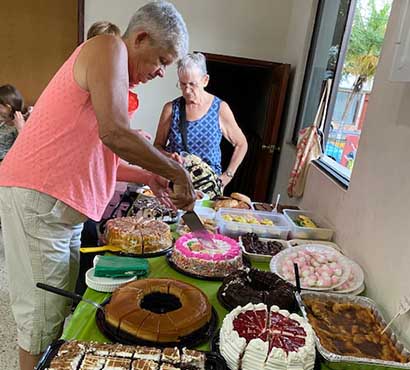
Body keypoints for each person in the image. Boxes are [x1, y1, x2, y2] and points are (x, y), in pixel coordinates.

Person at [0, 2, 195, 369]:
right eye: (161, 60)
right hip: (41, 200)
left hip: (57, 209)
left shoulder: (116, 70)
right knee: (40, 322)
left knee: (56, 312)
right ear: (140, 38)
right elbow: (115, 133)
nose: (160, 72)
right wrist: (176, 172)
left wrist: (150, 174)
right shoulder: (108, 48)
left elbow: (97, 158)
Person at [154, 52, 248, 188]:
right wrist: (169, 156)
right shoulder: (171, 109)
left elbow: (241, 144)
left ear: (205, 80)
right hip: (174, 182)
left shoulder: (219, 108)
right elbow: (157, 146)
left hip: (208, 186)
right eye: (182, 84)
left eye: (192, 84)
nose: (187, 91)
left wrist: (227, 176)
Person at [0, 84, 28, 162]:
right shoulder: (4, 122)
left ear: (8, 107)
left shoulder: (24, 122)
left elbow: (28, 148)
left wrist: (21, 129)